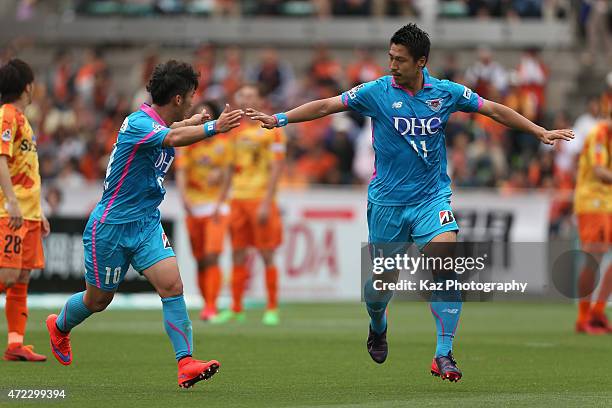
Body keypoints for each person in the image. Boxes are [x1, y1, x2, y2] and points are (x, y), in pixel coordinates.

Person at [247, 23, 574, 381]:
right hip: (387, 202)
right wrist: (279, 119)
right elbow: (328, 104)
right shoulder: (376, 91)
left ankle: (443, 353)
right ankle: (377, 323)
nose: (391, 65)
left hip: (432, 197)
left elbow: (493, 109)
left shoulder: (446, 92)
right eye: (389, 57)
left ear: (421, 62)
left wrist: (538, 130)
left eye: (399, 60)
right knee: (381, 282)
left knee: (445, 263)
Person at [46, 60, 243, 389]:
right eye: (191, 97)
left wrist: (194, 122)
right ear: (178, 99)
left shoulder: (158, 122)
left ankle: (186, 363)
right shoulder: (138, 123)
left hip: (146, 224)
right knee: (98, 300)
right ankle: (59, 327)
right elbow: (168, 139)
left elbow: (172, 133)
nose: (194, 101)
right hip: (110, 226)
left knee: (172, 286)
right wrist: (213, 128)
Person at [213, 84, 286, 326]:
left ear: (259, 99)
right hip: (238, 200)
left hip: (260, 199)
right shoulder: (234, 133)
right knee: (237, 253)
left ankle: (272, 307)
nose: (245, 100)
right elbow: (229, 170)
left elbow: (276, 167)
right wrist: (220, 202)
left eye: (249, 96)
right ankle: (236, 307)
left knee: (266, 253)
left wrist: (267, 201)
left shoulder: (271, 129)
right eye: (241, 96)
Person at [0, 58, 50, 362]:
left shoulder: (21, 119)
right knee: (8, 274)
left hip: (28, 213)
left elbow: (26, 168)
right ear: (27, 86)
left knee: (21, 278)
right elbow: (1, 160)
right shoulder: (7, 116)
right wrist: (13, 201)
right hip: (12, 211)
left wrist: (37, 210)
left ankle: (15, 343)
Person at [175, 101, 230, 321]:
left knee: (212, 255)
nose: (203, 116)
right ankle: (206, 301)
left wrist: (219, 202)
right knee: (199, 258)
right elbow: (181, 171)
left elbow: (227, 175)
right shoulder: (189, 142)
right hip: (194, 207)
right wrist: (184, 197)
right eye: (199, 113)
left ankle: (211, 305)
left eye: (206, 113)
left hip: (216, 207)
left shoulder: (223, 143)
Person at [574, 107, 611, 334]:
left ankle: (598, 312)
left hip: (608, 201)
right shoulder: (599, 133)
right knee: (593, 257)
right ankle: (583, 316)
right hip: (593, 202)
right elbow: (598, 171)